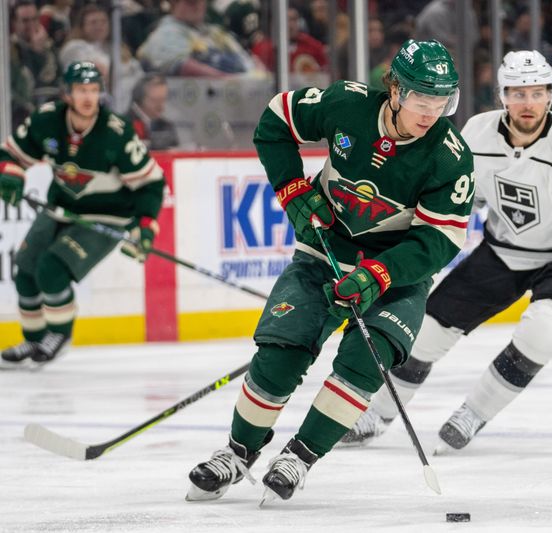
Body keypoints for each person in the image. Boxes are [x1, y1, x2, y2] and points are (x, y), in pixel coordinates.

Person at [186, 39, 474, 503]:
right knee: (282, 350)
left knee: (367, 359)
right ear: (396, 91)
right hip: (326, 250)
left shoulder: (450, 156)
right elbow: (276, 120)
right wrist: (293, 190)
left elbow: (439, 240)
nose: (431, 112)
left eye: (442, 101)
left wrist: (378, 274)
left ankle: (299, 457)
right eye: (422, 99)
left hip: (397, 275)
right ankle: (238, 453)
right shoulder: (346, 103)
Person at [340, 50, 552, 453]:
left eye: (537, 92)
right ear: (501, 95)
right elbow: (454, 200)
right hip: (506, 247)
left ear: (551, 95)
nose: (528, 103)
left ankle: (474, 412)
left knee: (543, 331)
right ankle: (378, 414)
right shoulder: (476, 135)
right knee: (425, 333)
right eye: (518, 93)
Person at [0, 61, 165, 366]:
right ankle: (33, 341)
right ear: (67, 94)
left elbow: (152, 183)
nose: (88, 98)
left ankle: (58, 335)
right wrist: (8, 171)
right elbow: (10, 153)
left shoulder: (116, 133)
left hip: (106, 217)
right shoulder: (46, 120)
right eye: (80, 90)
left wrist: (145, 224)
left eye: (93, 90)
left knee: (51, 270)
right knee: (25, 272)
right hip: (61, 208)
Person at [127, 74, 180, 150]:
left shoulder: (166, 126)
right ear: (140, 98)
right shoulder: (124, 126)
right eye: (156, 100)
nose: (161, 106)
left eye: (163, 100)